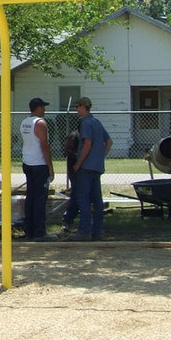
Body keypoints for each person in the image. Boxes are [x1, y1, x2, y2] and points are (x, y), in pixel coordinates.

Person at [70, 97, 112, 241]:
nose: (77, 110)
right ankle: (97, 231)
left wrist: (78, 163)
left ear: (83, 107)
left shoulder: (86, 123)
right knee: (97, 200)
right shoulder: (97, 122)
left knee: (84, 199)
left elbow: (87, 144)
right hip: (97, 166)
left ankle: (84, 231)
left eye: (77, 107)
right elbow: (109, 141)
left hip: (86, 167)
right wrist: (100, 156)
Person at [20, 97, 56, 240]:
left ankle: (29, 230)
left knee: (31, 197)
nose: (44, 110)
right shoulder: (40, 123)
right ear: (38, 108)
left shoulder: (24, 122)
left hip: (27, 162)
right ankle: (40, 232)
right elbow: (44, 146)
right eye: (43, 107)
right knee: (40, 199)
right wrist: (50, 167)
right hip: (39, 164)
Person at [61, 128, 80, 234]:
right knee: (76, 196)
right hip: (75, 171)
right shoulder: (73, 137)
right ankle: (67, 220)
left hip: (81, 171)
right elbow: (68, 152)